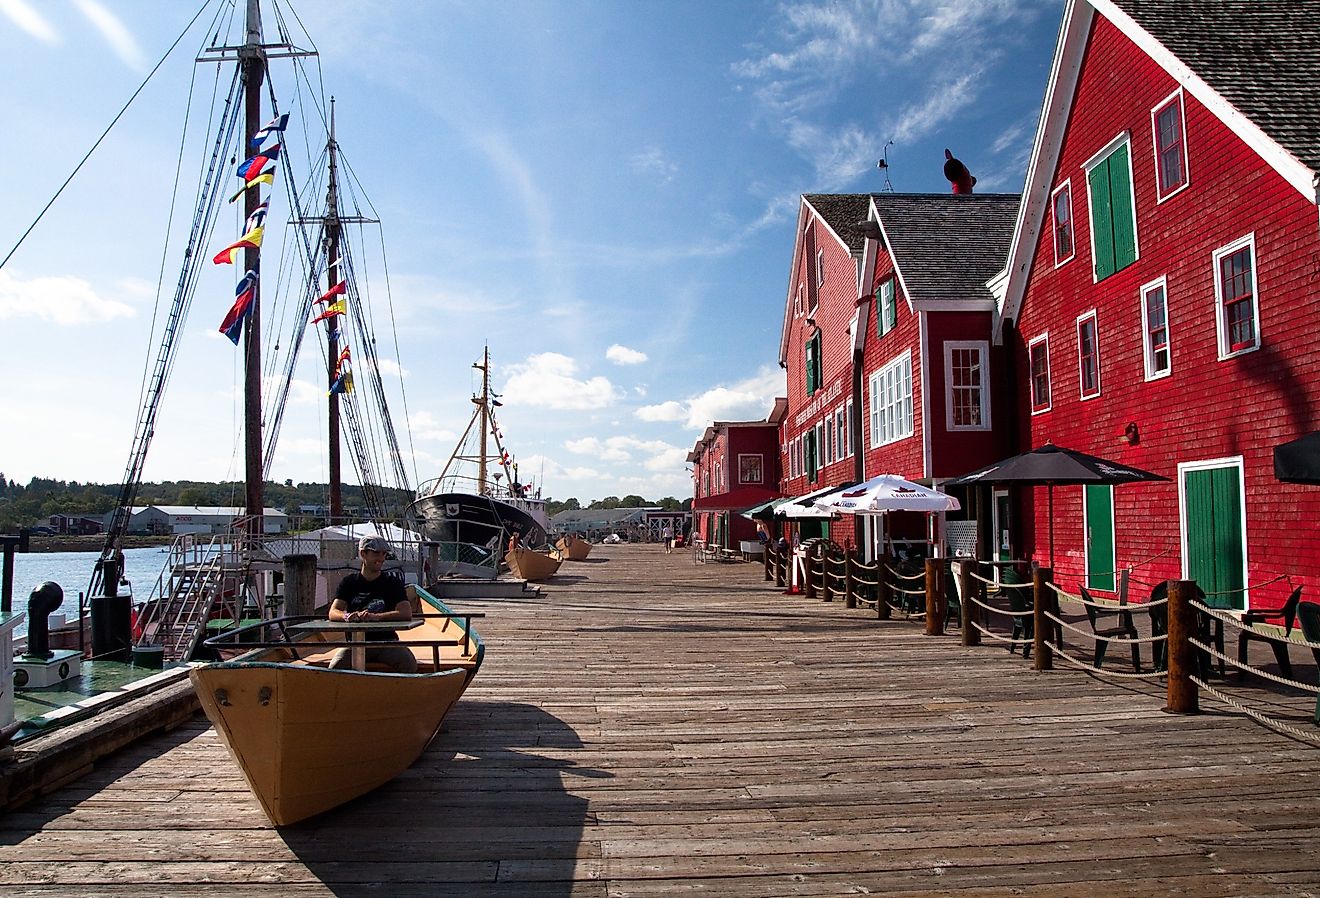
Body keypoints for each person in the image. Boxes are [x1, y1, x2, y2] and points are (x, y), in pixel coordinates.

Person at [328, 535, 417, 673]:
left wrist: (376, 617)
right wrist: (348, 616)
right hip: (355, 644)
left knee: (408, 663)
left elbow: (405, 613)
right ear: (363, 554)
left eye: (384, 554)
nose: (381, 558)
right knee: (334, 668)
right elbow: (334, 611)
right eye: (376, 553)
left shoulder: (393, 583)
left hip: (387, 643)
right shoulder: (348, 583)